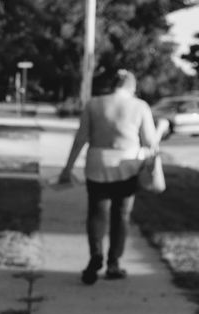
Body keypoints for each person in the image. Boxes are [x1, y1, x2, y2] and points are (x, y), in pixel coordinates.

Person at [58, 69, 160, 283]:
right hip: (128, 166)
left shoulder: (94, 104)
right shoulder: (139, 106)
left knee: (96, 213)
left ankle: (96, 254)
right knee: (121, 215)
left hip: (97, 164)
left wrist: (68, 168)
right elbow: (150, 142)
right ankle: (114, 262)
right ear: (131, 87)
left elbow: (80, 139)